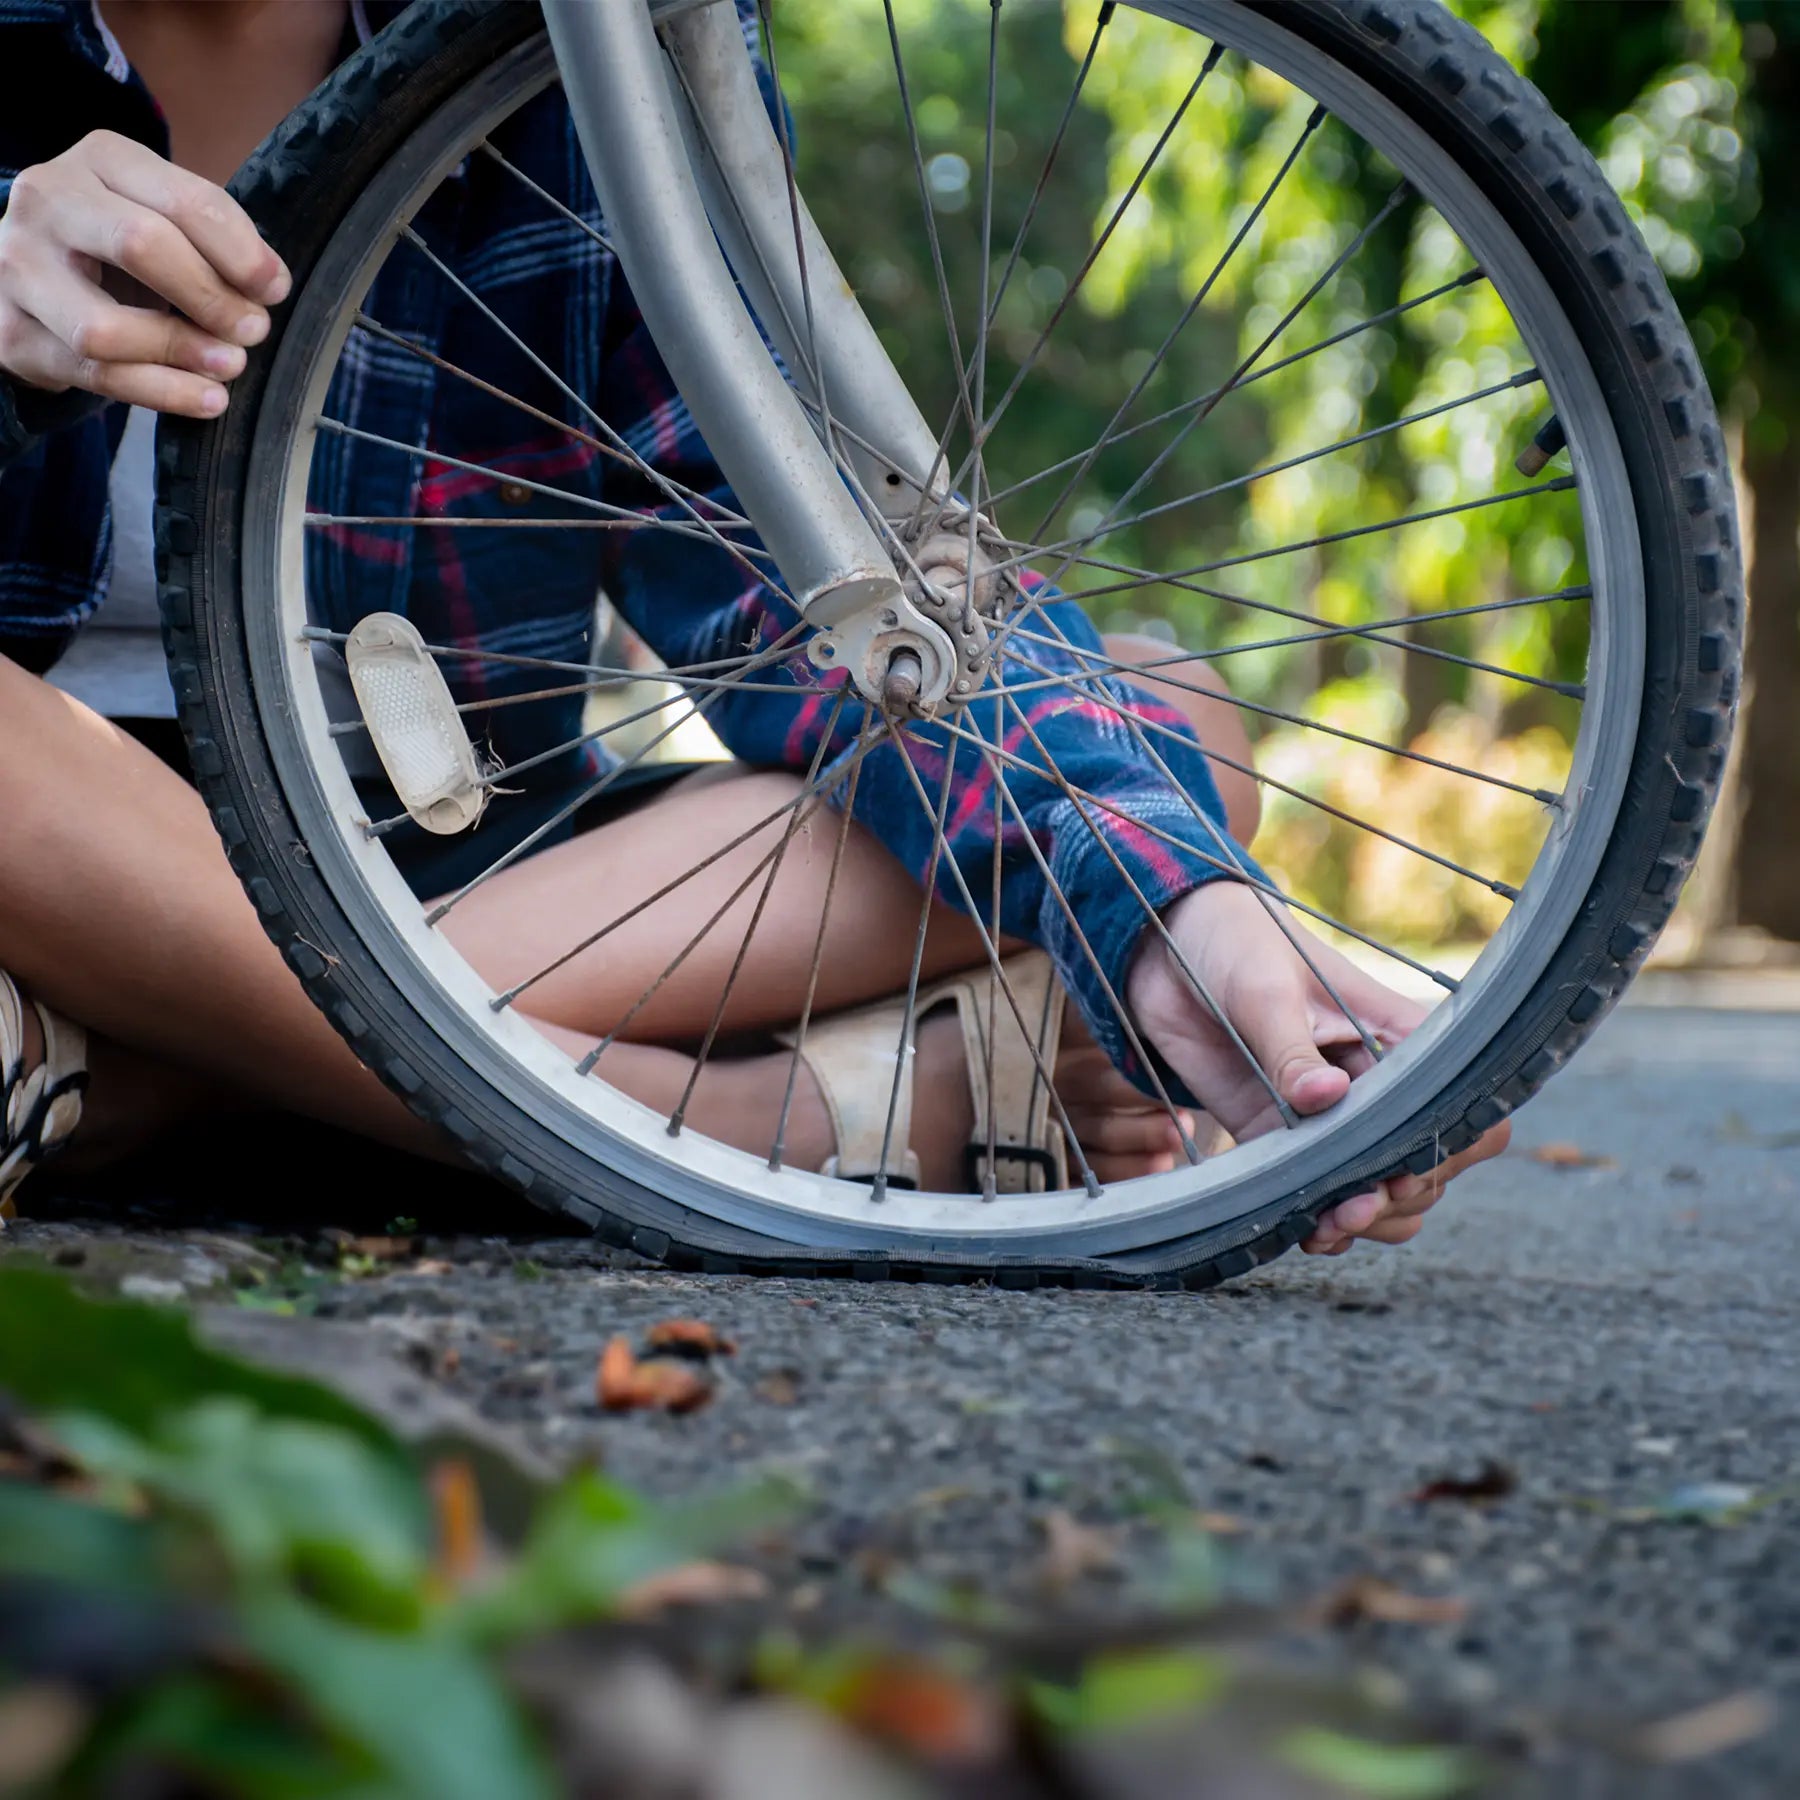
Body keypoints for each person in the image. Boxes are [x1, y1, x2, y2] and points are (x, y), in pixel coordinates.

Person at [0, 0, 1506, 1242]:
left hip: (447, 873)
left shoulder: (594, 38)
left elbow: (780, 552)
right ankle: (773, 1126)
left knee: (1168, 728)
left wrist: (1177, 917)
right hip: (41, 826)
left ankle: (129, 1075)